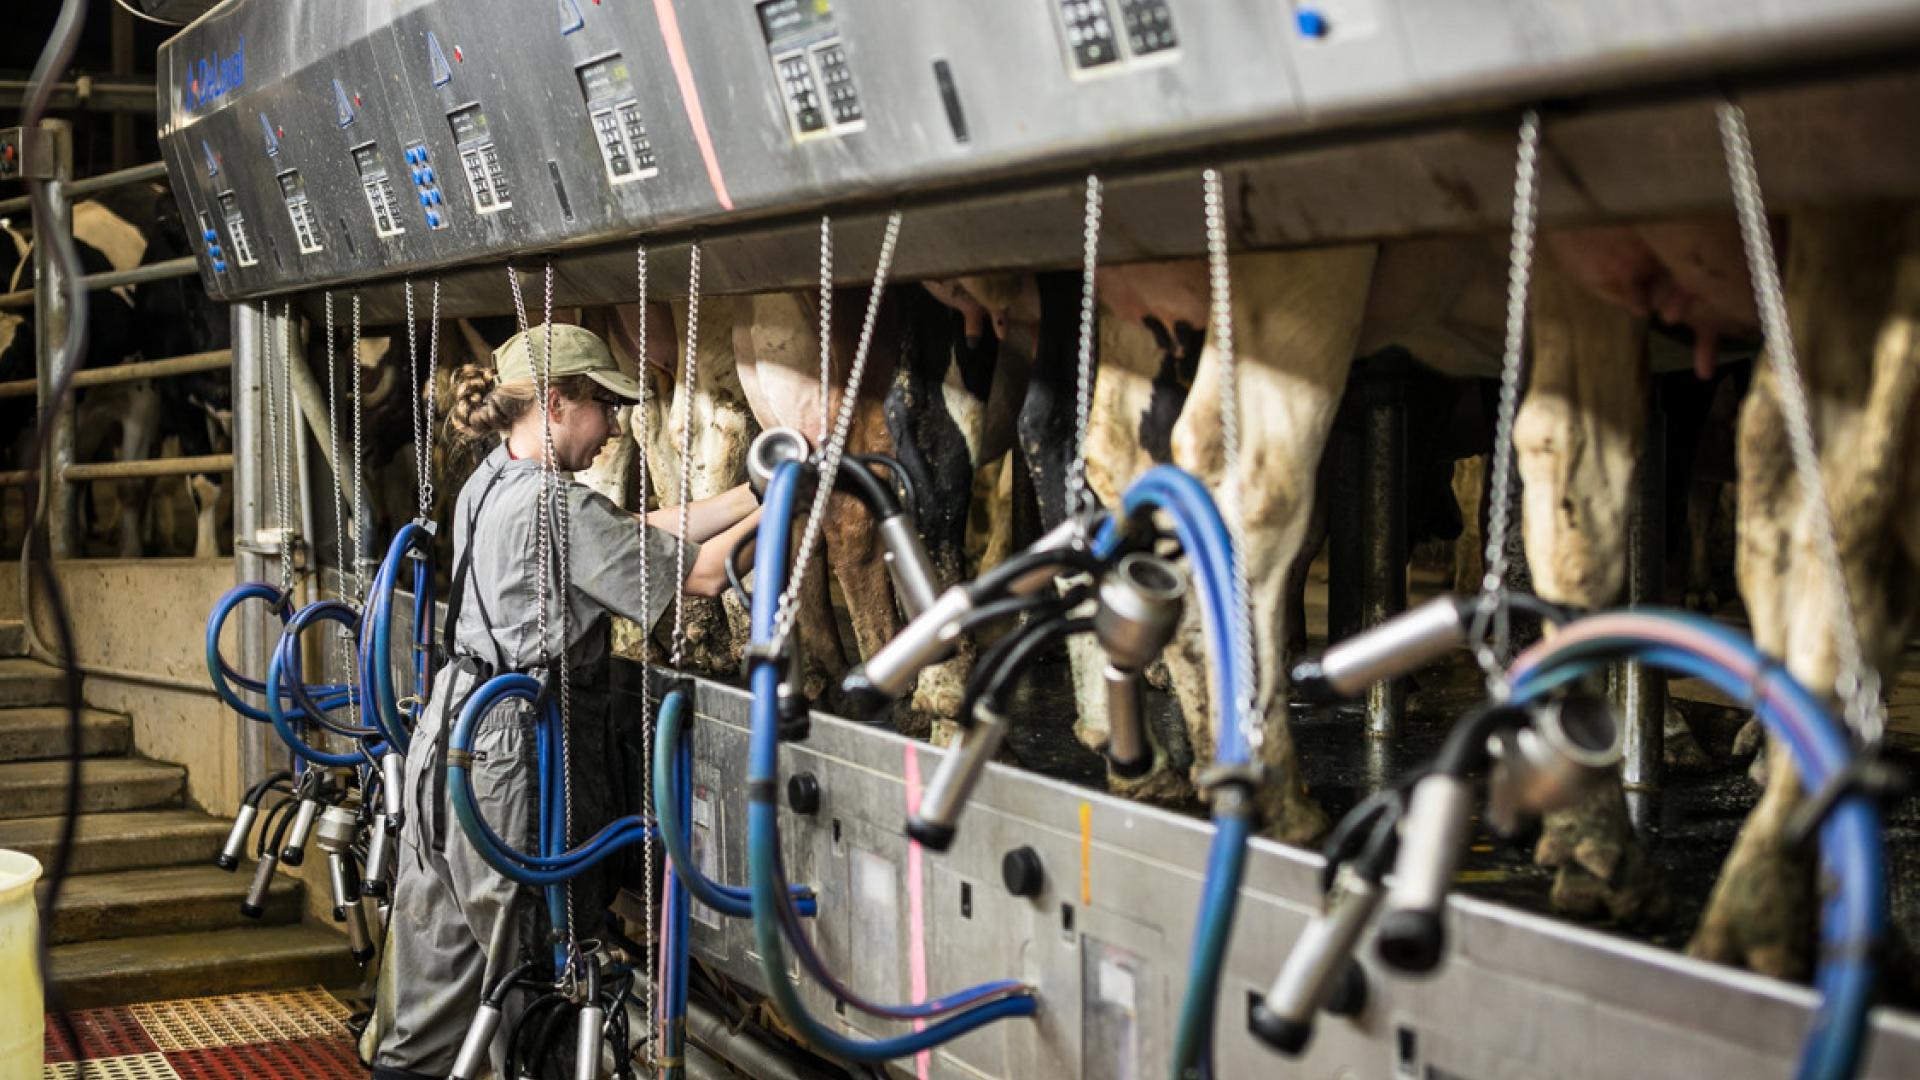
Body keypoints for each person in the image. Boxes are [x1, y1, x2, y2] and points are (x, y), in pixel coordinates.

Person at [371, 322, 759, 1079]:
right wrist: (793, 510)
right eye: (602, 407)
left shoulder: (489, 479)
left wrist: (751, 490)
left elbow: (633, 536)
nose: (615, 426)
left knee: (447, 960)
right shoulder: (559, 507)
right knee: (534, 967)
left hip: (453, 732)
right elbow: (704, 575)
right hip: (518, 752)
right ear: (554, 404)